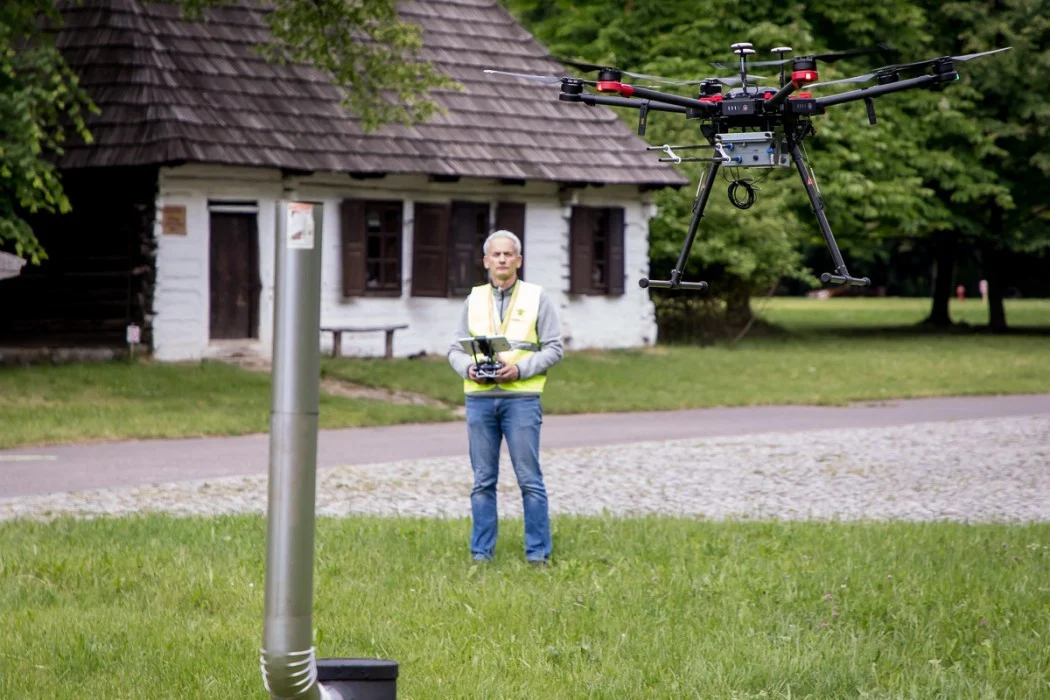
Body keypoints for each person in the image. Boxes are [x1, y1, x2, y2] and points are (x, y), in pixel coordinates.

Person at [447, 230, 564, 565]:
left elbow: (554, 348)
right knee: (482, 481)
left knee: (529, 480)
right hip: (480, 399)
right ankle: (481, 555)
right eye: (496, 255)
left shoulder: (537, 297)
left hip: (521, 399)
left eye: (508, 254)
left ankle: (538, 555)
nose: (502, 259)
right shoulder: (473, 299)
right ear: (486, 261)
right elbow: (454, 349)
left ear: (519, 260)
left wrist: (520, 370)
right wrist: (468, 368)